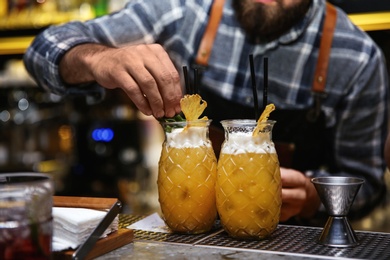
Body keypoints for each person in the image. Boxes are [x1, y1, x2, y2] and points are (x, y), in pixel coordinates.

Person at [23, 0, 389, 225]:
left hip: (296, 240)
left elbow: (368, 185)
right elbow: (41, 51)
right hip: (188, 232)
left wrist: (314, 194)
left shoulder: (356, 57)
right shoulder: (184, 10)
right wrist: (99, 57)